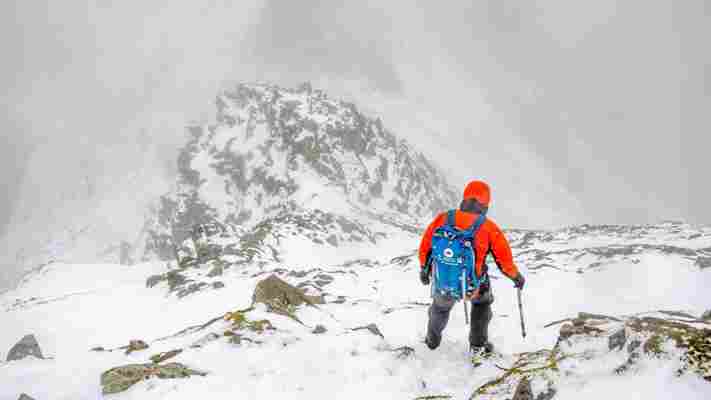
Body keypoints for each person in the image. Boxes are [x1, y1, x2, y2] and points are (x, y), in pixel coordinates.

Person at [418, 180, 525, 358]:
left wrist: (424, 270)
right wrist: (517, 277)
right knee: (482, 305)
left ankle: (432, 340)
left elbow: (426, 247)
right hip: (473, 286)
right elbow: (504, 262)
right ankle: (477, 348)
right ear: (484, 204)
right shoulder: (488, 227)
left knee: (440, 308)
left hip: (443, 280)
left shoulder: (443, 218)